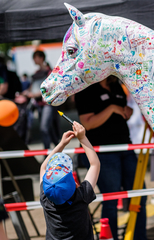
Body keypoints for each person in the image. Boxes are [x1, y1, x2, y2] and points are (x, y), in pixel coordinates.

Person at [74, 75, 147, 240]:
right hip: (101, 153)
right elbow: (87, 123)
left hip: (125, 147)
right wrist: (112, 108)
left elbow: (123, 111)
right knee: (111, 199)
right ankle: (110, 237)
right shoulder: (85, 89)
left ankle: (139, 236)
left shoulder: (116, 85)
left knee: (140, 195)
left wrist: (128, 111)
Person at [40, 121, 100, 240]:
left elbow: (43, 167)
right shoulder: (81, 196)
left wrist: (61, 144)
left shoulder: (46, 199)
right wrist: (82, 138)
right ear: (75, 184)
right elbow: (95, 164)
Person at [24, 50, 60, 149]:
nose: (34, 60)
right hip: (39, 104)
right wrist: (26, 93)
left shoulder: (50, 72)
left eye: (35, 57)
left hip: (47, 104)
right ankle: (58, 149)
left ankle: (47, 153)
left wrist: (34, 94)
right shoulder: (37, 73)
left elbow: (50, 88)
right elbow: (32, 87)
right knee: (50, 129)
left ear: (41, 58)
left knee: (44, 128)